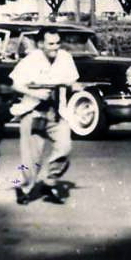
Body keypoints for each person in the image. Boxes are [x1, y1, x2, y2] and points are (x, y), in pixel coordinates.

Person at [9, 26, 79, 205]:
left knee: (64, 148)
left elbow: (72, 81)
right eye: (50, 43)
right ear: (40, 44)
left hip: (56, 112)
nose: (55, 47)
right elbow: (15, 85)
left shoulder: (65, 58)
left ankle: (50, 182)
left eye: (57, 43)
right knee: (32, 157)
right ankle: (23, 187)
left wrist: (72, 85)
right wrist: (36, 93)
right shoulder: (31, 60)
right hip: (33, 111)